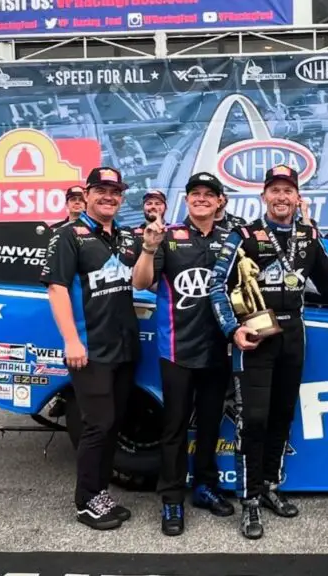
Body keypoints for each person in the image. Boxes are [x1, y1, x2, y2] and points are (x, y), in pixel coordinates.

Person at [208, 164, 328, 540]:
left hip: (293, 333)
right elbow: (216, 286)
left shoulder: (308, 235)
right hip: (256, 338)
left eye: (288, 191)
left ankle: (270, 487)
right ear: (264, 196)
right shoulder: (244, 235)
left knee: (281, 417)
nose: (281, 197)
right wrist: (233, 330)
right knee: (254, 420)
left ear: (298, 197)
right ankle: (248, 501)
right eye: (274, 190)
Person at [132, 171, 236, 537]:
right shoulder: (168, 236)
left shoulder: (231, 239)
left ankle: (205, 487)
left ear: (220, 201)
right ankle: (172, 498)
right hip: (176, 348)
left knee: (209, 424)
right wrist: (148, 247)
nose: (202, 199)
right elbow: (141, 282)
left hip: (217, 348)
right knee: (174, 427)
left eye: (210, 194)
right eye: (196, 193)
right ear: (187, 199)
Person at [40, 167, 141, 531]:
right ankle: (86, 501)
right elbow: (57, 288)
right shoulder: (68, 235)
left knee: (113, 424)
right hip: (89, 346)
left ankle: (100, 493)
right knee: (96, 425)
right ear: (87, 194)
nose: (109, 197)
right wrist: (71, 339)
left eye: (115, 192)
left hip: (125, 345)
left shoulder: (127, 237)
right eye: (101, 190)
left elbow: (143, 277)